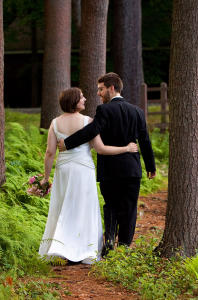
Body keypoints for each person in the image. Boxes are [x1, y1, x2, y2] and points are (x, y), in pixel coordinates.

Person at [58, 73, 156, 257]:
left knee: (110, 204)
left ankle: (109, 242)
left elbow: (92, 131)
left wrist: (67, 143)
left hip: (110, 168)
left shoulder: (104, 111)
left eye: (101, 89)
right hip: (132, 169)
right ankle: (125, 247)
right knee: (129, 207)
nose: (98, 93)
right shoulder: (138, 112)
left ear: (112, 88)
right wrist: (151, 167)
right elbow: (144, 140)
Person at [38, 87, 138, 264]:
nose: (85, 99)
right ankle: (85, 249)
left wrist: (46, 178)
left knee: (63, 207)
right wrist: (126, 148)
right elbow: (100, 148)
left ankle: (61, 247)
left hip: (64, 169)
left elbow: (49, 153)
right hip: (83, 169)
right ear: (74, 101)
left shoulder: (54, 123)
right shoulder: (88, 122)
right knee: (84, 207)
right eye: (81, 97)